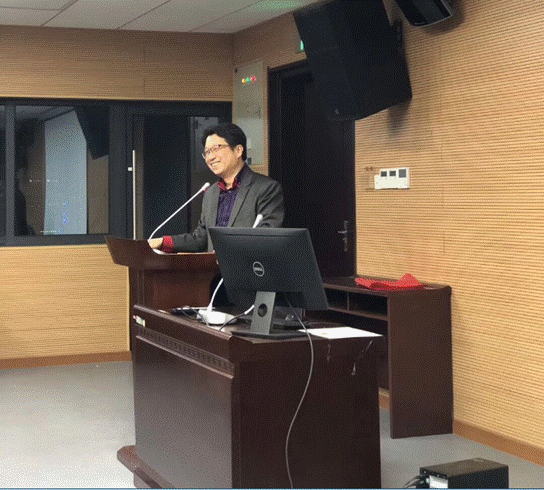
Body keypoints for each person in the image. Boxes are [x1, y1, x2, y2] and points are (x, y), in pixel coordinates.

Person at [148, 122, 284, 253]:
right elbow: (201, 239)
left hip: (246, 267)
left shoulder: (266, 188)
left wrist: (229, 253)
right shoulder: (211, 193)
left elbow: (267, 236)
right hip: (213, 269)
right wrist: (163, 242)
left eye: (216, 149)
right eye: (207, 152)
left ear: (238, 150)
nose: (210, 157)